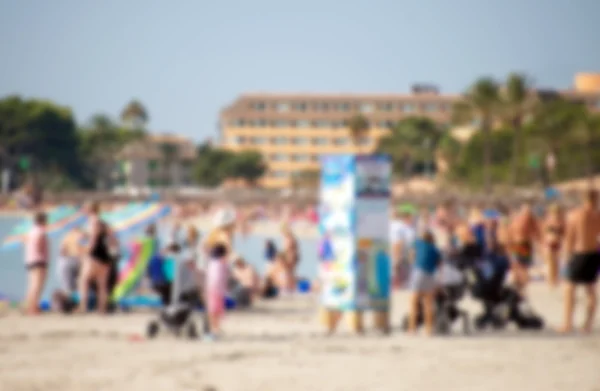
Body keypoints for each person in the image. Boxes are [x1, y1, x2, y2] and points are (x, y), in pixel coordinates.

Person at [559, 189, 600, 334]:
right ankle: (588, 324)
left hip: (579, 254)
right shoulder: (598, 216)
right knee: (591, 290)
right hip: (594, 254)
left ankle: (568, 323)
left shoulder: (575, 215)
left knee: (570, 288)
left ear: (583, 198)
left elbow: (570, 237)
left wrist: (566, 255)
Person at [78, 202, 117, 314]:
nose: (83, 211)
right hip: (105, 254)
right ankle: (102, 309)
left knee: (84, 281)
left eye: (84, 208)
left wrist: (86, 252)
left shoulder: (93, 221)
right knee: (102, 284)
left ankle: (83, 307)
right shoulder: (103, 222)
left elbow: (93, 239)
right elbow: (113, 238)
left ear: (89, 209)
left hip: (95, 254)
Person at [407, 231, 442, 335]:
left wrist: (413, 261)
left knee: (413, 303)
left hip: (418, 273)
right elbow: (439, 266)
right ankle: (429, 330)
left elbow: (412, 253)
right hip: (430, 275)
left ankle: (412, 329)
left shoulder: (419, 243)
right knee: (428, 305)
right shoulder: (436, 250)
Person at [509, 200, 541, 295]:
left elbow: (536, 231)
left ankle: (522, 288)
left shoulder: (526, 217)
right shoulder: (518, 218)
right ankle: (519, 287)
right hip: (518, 244)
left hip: (522, 244)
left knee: (521, 266)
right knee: (517, 266)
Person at [24, 211, 49, 315]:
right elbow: (39, 244)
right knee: (37, 285)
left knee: (32, 285)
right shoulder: (40, 231)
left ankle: (30, 307)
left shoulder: (31, 231)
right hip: (39, 260)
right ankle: (34, 308)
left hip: (30, 260)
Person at [205, 243, 229, 341]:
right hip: (220, 290)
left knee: (212, 311)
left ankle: (213, 330)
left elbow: (212, 279)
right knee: (217, 311)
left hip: (213, 289)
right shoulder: (222, 264)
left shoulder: (213, 263)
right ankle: (216, 329)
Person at [390, 208, 417, 287]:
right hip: (399, 259)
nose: (413, 219)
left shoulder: (410, 228)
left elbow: (412, 246)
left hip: (405, 259)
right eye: (412, 217)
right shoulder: (399, 226)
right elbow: (397, 243)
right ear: (406, 217)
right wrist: (396, 260)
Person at [543, 204, 565, 288]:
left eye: (557, 212)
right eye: (555, 212)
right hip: (549, 243)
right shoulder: (548, 220)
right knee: (551, 262)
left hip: (558, 243)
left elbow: (565, 233)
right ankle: (551, 281)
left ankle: (554, 281)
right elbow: (544, 232)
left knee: (556, 263)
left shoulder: (562, 221)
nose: (556, 213)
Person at [57, 227, 84, 295]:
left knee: (68, 288)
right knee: (81, 285)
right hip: (78, 260)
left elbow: (62, 251)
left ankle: (69, 301)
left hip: (65, 261)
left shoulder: (66, 236)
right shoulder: (82, 235)